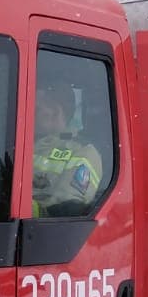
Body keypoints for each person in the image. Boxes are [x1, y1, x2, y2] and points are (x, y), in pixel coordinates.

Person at [31, 78, 104, 216]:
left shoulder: (83, 152)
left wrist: (18, 206)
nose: (29, 114)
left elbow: (65, 212)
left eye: (36, 109)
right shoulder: (25, 143)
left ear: (55, 112)